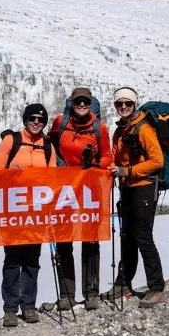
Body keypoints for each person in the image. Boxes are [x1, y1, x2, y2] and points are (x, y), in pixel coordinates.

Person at [48, 87, 112, 311]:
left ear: (90, 103)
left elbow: (107, 155)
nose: (82, 105)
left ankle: (91, 292)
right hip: (64, 188)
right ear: (71, 104)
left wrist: (94, 166)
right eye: (78, 102)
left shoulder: (99, 127)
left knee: (90, 239)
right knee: (64, 239)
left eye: (85, 101)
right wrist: (59, 164)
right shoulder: (60, 123)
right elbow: (50, 147)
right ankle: (67, 294)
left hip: (90, 188)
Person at [0, 103, 55, 327]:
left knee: (31, 260)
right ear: (25, 119)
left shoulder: (47, 145)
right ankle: (10, 308)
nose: (36, 122)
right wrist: (12, 177)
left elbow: (53, 178)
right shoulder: (12, 140)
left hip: (36, 211)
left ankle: (28, 305)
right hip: (13, 210)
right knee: (12, 260)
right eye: (32, 118)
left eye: (40, 119)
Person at [104, 87, 166, 308]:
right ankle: (124, 282)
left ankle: (156, 287)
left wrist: (127, 172)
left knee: (142, 237)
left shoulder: (144, 128)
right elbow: (114, 158)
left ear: (134, 104)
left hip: (144, 188)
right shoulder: (120, 130)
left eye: (127, 104)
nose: (123, 107)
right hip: (128, 188)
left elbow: (157, 161)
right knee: (127, 237)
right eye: (119, 104)